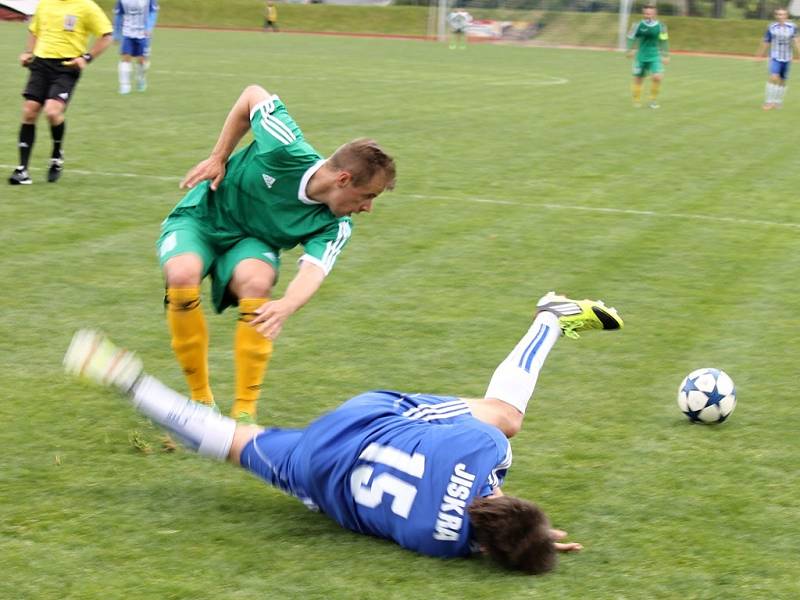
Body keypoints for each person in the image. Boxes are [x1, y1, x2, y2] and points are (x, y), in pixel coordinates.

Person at [63, 291, 624, 573]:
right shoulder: (439, 545)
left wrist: (527, 524)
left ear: (509, 499)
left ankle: (550, 315)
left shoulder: (484, 451)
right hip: (319, 472)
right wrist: (523, 541)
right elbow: (477, 529)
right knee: (232, 444)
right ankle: (133, 384)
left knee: (505, 414)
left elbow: (466, 469)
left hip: (368, 417)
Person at [158, 84, 396, 423]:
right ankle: (201, 401)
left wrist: (288, 305)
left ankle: (244, 413)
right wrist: (218, 157)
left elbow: (313, 270)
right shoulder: (286, 147)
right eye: (367, 196)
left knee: (257, 284)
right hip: (202, 217)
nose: (368, 208)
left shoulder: (334, 224)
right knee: (182, 274)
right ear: (343, 179)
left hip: (251, 241)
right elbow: (251, 94)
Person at [9, 0, 113, 185]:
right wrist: (28, 52)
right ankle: (22, 170)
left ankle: (57, 155)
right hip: (41, 64)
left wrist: (86, 58)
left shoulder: (86, 6)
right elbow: (35, 30)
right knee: (29, 111)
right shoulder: (45, 3)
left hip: (66, 66)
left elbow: (106, 35)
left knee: (52, 111)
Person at [626, 4, 670, 109]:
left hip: (655, 56)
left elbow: (664, 41)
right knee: (638, 79)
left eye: (649, 13)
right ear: (643, 13)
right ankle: (636, 100)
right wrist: (630, 49)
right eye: (645, 13)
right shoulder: (637, 25)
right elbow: (630, 37)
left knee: (658, 77)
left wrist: (666, 55)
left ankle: (652, 101)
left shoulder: (661, 26)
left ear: (655, 14)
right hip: (641, 56)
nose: (647, 15)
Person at [757, 8, 800, 110]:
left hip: (787, 57)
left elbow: (797, 41)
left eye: (783, 14)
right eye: (778, 15)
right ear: (776, 16)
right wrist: (760, 55)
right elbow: (766, 41)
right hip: (775, 57)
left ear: (786, 16)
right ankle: (768, 102)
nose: (781, 16)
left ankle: (778, 102)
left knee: (782, 81)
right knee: (773, 77)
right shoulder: (771, 27)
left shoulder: (792, 27)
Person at [113, 0, 159, 94]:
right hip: (128, 33)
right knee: (125, 58)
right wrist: (117, 34)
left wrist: (149, 27)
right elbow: (118, 15)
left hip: (143, 34)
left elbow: (153, 12)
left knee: (142, 61)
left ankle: (140, 78)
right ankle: (125, 86)